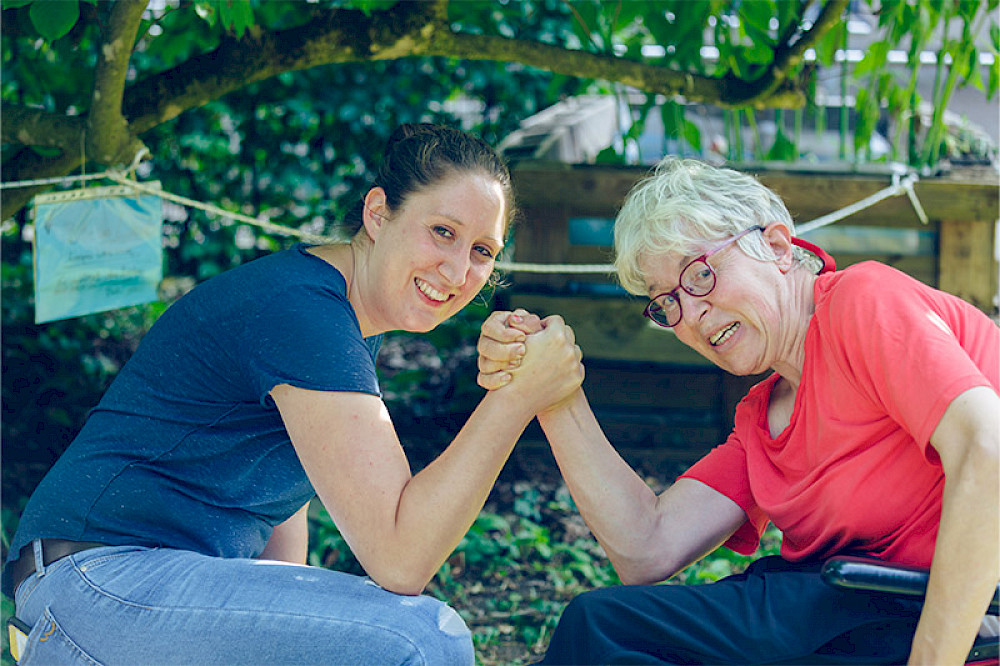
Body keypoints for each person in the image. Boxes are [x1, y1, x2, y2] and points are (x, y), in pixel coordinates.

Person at [4, 124, 584, 665]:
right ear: (378, 214)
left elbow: (285, 508)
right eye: (443, 232)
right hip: (97, 582)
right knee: (422, 640)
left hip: (132, 587)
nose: (459, 272)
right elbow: (401, 558)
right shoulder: (302, 312)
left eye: (483, 251)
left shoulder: (344, 318)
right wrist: (514, 400)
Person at [477, 157, 999, 664]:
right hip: (848, 611)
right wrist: (555, 392)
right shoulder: (761, 417)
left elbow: (988, 448)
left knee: (604, 630)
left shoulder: (861, 302)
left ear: (775, 245)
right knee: (608, 630)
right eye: (668, 303)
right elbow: (647, 546)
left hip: (939, 617)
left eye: (700, 274)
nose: (692, 313)